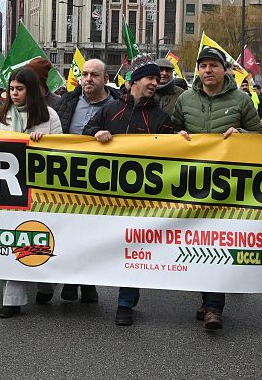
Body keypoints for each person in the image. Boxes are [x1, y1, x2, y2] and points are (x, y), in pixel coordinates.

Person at [172, 46, 262, 331]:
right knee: (196, 242)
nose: (208, 70)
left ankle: (214, 307)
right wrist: (176, 136)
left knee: (217, 242)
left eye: (213, 65)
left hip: (227, 188)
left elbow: (260, 136)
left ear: (225, 70)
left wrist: (242, 134)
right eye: (203, 66)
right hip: (192, 185)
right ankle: (207, 298)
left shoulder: (241, 100)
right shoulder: (185, 99)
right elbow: (169, 134)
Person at [83, 59, 174, 326]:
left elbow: (173, 153)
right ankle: (85, 284)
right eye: (150, 79)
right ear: (135, 81)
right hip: (105, 194)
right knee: (98, 243)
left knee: (133, 249)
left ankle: (125, 302)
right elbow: (85, 133)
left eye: (157, 79)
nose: (155, 83)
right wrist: (96, 132)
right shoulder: (111, 109)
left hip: (140, 198)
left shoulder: (161, 118)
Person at [0, 68, 63, 318]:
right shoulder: (2, 116)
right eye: (11, 88)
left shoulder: (50, 116)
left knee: (39, 236)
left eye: (20, 89)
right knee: (15, 239)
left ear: (31, 90)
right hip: (10, 188)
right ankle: (11, 300)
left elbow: (61, 152)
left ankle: (45, 284)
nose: (14, 93)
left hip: (41, 190)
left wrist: (43, 143)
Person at [52, 58, 121, 304]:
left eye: (94, 75)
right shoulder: (66, 102)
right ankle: (74, 280)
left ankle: (87, 281)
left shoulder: (118, 105)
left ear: (106, 79)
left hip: (102, 182)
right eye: (85, 74)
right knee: (70, 234)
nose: (88, 79)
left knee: (93, 236)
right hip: (67, 180)